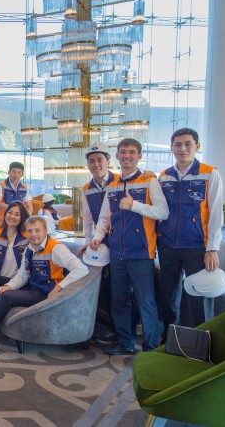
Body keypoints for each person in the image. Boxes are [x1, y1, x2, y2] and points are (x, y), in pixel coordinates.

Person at [0, 216, 88, 348]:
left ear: (45, 231)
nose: (33, 234)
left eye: (37, 230)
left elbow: (81, 269)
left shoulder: (56, 248)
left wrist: (59, 288)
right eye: (30, 231)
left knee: (7, 297)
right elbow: (23, 275)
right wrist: (9, 286)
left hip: (46, 292)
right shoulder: (29, 249)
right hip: (32, 287)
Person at [90, 138, 168, 355]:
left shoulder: (149, 181)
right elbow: (104, 218)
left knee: (146, 302)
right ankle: (125, 343)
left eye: (132, 152)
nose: (127, 156)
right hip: (117, 253)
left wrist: (135, 205)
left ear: (139, 156)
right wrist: (97, 236)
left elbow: (163, 212)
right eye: (123, 152)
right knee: (119, 301)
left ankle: (151, 348)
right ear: (117, 156)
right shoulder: (113, 186)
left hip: (141, 252)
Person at [157, 128, 223, 331]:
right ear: (171, 147)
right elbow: (159, 210)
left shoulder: (210, 173)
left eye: (188, 144)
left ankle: (201, 338)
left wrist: (212, 248)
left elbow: (216, 214)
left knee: (199, 295)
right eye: (178, 144)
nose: (182, 149)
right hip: (167, 245)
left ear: (197, 146)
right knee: (168, 295)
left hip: (196, 246)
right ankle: (170, 336)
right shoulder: (164, 176)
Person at [76, 142, 116, 341]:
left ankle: (121, 328)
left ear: (108, 161)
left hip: (118, 240)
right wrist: (88, 240)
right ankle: (105, 325)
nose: (96, 164)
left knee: (118, 286)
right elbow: (88, 218)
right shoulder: (87, 188)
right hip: (98, 244)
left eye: (100, 160)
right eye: (92, 161)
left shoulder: (119, 181)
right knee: (102, 285)